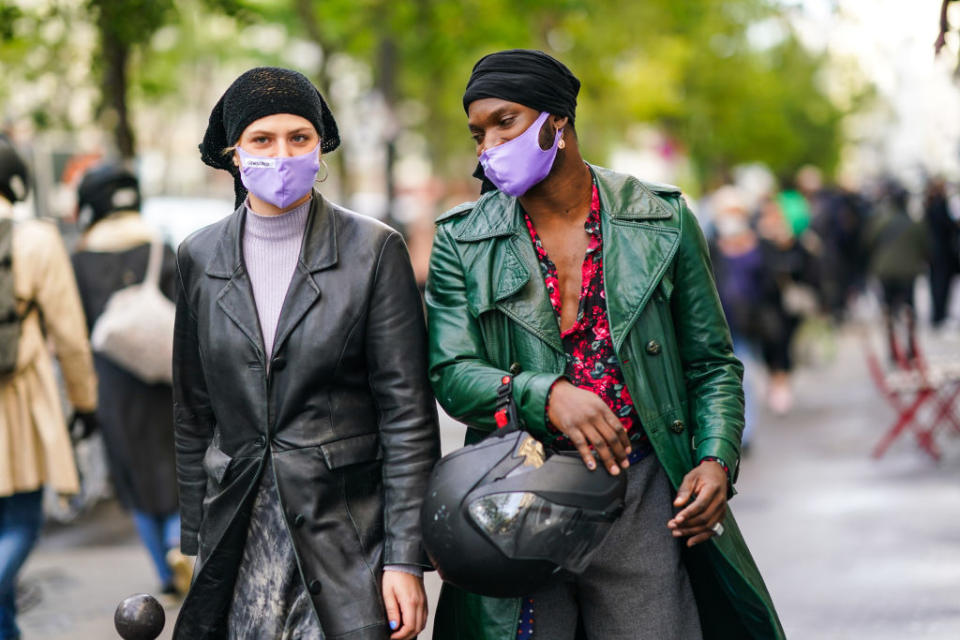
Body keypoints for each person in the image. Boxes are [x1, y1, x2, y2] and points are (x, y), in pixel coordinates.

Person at [426, 49, 783, 639]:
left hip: (643, 496)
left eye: (505, 121)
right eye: (478, 132)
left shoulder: (661, 219)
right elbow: (452, 374)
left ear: (557, 121)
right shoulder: (462, 241)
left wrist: (717, 458)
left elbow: (712, 364)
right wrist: (545, 395)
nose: (488, 145)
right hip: (517, 495)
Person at [172, 67, 439, 640]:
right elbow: (193, 413)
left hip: (346, 531)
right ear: (234, 155)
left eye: (299, 138)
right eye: (261, 140)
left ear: (321, 149)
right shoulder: (198, 256)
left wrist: (405, 559)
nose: (282, 153)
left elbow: (408, 417)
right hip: (238, 534)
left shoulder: (374, 250)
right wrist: (195, 543)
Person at [70, 164, 189, 596]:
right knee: (176, 472)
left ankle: (163, 573)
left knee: (134, 481)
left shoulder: (80, 259)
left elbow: (75, 332)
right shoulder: (161, 245)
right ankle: (181, 543)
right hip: (167, 381)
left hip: (113, 388)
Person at [0, 134, 98, 639]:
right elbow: (71, 337)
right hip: (21, 403)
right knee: (20, 516)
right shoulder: (36, 239)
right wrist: (84, 403)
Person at [864, 180, 930, 365]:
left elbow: (868, 242)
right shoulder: (915, 223)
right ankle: (909, 346)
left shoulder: (880, 220)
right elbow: (925, 247)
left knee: (888, 309)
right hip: (908, 271)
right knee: (908, 309)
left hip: (885, 270)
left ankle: (891, 347)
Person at [924, 177, 959, 328]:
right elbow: (947, 227)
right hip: (942, 253)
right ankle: (939, 315)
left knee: (937, 284)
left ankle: (938, 315)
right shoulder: (939, 205)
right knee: (940, 285)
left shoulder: (930, 205)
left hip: (935, 252)